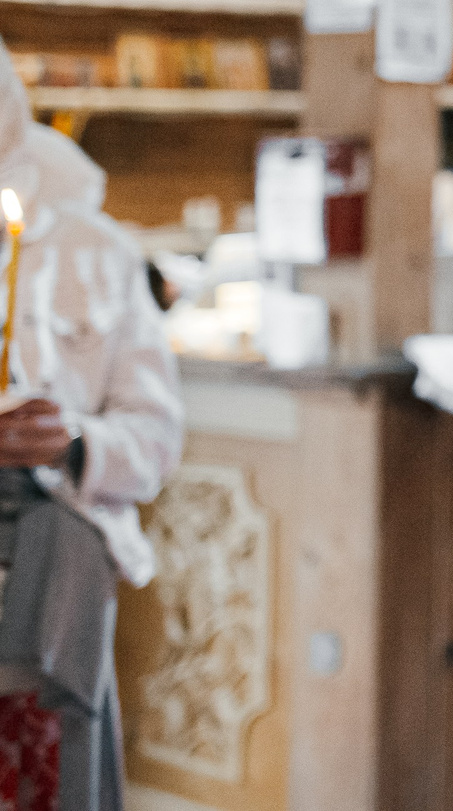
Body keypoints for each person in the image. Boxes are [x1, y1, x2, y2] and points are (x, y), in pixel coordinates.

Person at [0, 42, 183, 811]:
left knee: (50, 777)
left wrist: (74, 440)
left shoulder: (96, 253)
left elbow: (156, 438)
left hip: (56, 552)